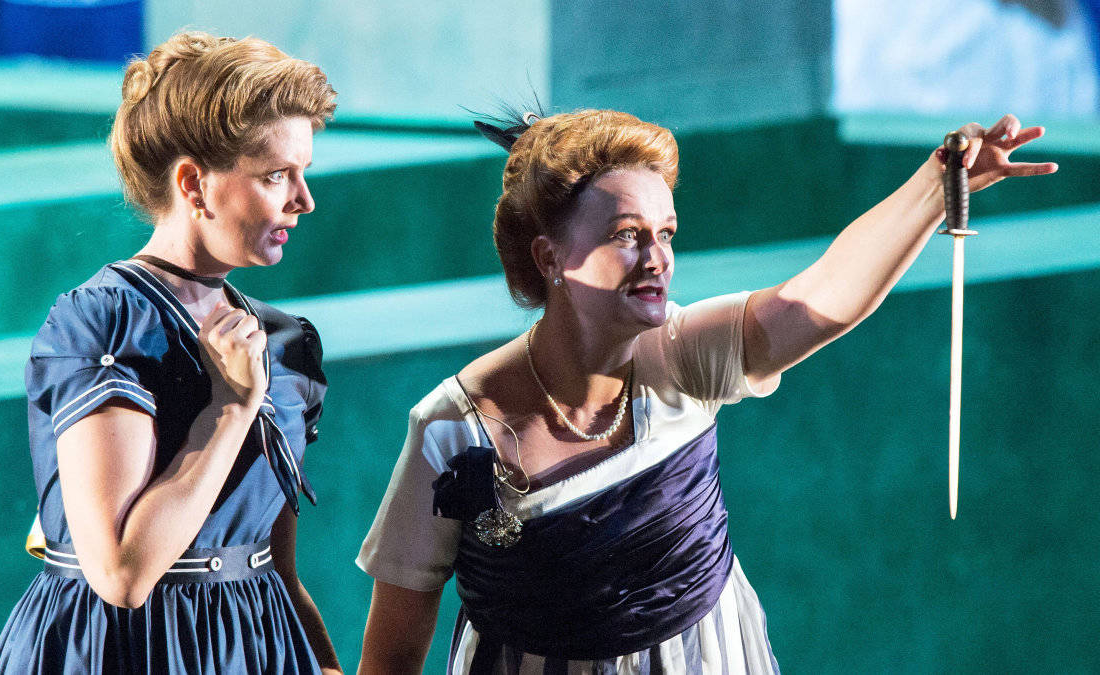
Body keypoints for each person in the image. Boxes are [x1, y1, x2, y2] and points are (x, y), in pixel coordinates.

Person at [355, 109, 1056, 673]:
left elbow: (824, 297)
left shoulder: (685, 353)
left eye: (666, 233)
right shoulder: (452, 430)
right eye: (627, 235)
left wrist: (936, 185)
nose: (657, 258)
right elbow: (389, 660)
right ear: (549, 257)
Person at [0, 32, 342, 674]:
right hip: (119, 649)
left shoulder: (285, 342)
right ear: (193, 184)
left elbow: (276, 567)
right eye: (275, 175)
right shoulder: (105, 324)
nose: (303, 200)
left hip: (256, 646)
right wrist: (229, 410)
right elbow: (121, 575)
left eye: (304, 173)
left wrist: (324, 663)